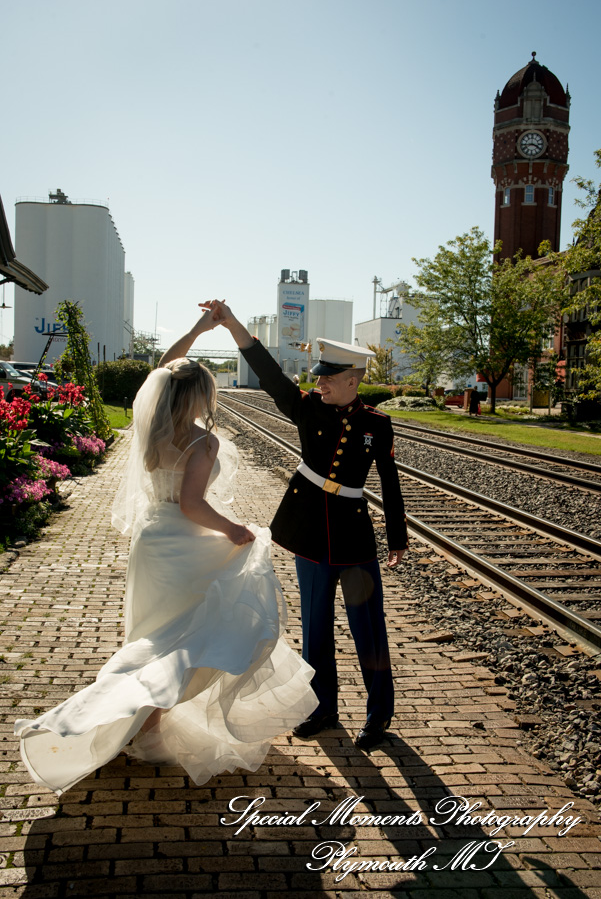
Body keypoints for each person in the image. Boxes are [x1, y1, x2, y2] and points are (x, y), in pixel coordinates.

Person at [14, 308, 317, 794]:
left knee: (154, 639)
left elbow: (164, 367)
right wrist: (235, 529)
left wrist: (197, 331)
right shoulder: (202, 441)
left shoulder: (152, 424)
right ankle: (143, 727)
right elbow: (192, 505)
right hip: (185, 548)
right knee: (183, 644)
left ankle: (139, 723)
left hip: (152, 543)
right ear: (199, 397)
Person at [211, 301, 408, 751]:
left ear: (353, 380)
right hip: (311, 536)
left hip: (354, 541)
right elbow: (269, 374)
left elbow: (390, 483)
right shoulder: (308, 410)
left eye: (328, 378)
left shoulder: (377, 424)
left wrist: (397, 538)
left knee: (368, 629)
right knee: (315, 629)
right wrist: (233, 324)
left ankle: (379, 714)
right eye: (319, 376)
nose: (319, 383)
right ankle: (321, 709)